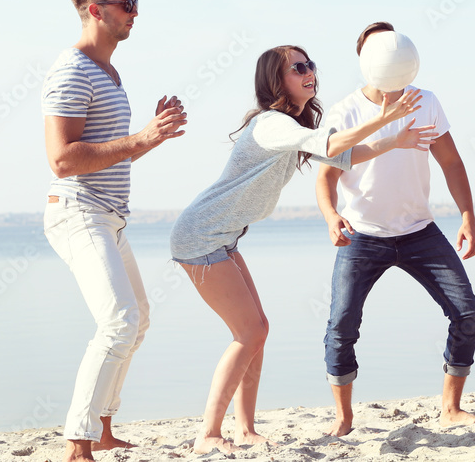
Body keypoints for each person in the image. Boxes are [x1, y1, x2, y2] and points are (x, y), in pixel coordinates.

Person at [169, 44, 435, 454]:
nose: (309, 71)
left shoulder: (289, 126)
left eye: (310, 64)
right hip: (200, 236)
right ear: (277, 82)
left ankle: (244, 429)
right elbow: (330, 145)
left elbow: (343, 155)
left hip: (221, 237)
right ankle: (208, 434)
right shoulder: (271, 123)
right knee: (250, 331)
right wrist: (382, 119)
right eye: (297, 68)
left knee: (256, 331)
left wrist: (394, 139)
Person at [317, 22, 475, 436]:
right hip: (362, 235)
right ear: (363, 56)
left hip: (420, 232)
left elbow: (451, 162)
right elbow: (325, 177)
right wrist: (331, 217)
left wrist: (467, 216)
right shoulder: (345, 111)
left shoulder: (425, 102)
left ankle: (451, 408)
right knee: (342, 326)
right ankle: (343, 418)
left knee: (467, 313)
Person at [42, 0, 188, 462]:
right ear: (94, 10)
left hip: (109, 215)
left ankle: (104, 429)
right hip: (78, 210)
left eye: (136, 3)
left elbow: (115, 150)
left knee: (138, 319)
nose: (134, 12)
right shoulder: (72, 69)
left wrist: (155, 133)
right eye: (126, 4)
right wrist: (141, 137)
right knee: (120, 319)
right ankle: (78, 445)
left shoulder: (109, 72)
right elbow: (63, 159)